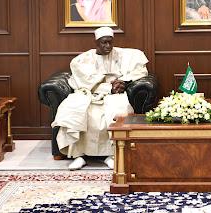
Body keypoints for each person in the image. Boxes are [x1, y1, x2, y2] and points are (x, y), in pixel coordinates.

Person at [51, 26, 148, 170]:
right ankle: (79, 156)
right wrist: (107, 86)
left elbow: (139, 71)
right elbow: (84, 81)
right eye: (104, 42)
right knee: (75, 111)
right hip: (88, 92)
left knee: (117, 111)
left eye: (110, 42)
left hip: (114, 94)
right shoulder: (84, 59)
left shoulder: (123, 56)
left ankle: (111, 155)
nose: (108, 46)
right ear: (96, 43)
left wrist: (123, 82)